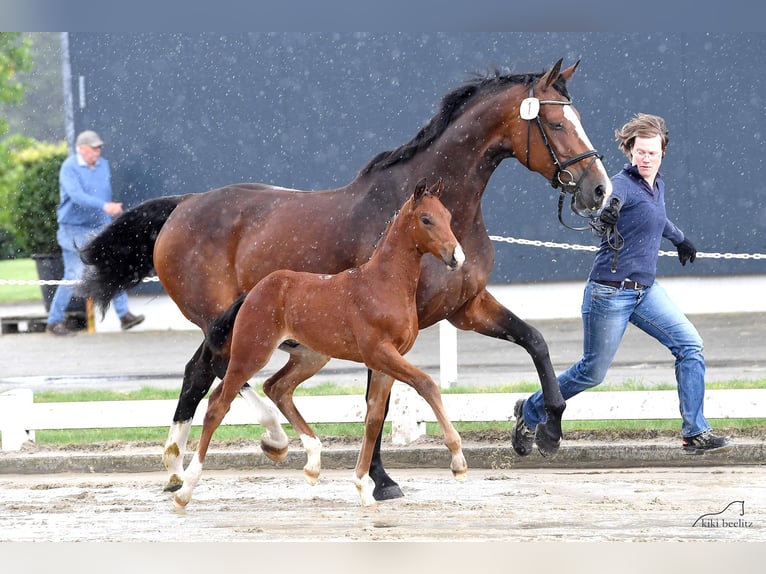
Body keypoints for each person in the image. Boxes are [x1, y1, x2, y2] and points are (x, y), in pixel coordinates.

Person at [512, 113, 732, 456]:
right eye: (640, 152)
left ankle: (695, 432)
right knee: (592, 372)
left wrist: (680, 239)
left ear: (662, 154)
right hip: (609, 293)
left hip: (646, 292)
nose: (645, 159)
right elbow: (604, 211)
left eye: (652, 153)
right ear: (630, 151)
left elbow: (657, 217)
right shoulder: (620, 185)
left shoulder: (656, 184)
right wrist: (606, 216)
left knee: (691, 346)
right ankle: (530, 411)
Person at [46, 130, 145, 336]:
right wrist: (105, 206)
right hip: (72, 228)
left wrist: (107, 222)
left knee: (111, 266)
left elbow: (103, 194)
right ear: (81, 149)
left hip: (99, 225)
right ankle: (54, 321)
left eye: (99, 147)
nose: (98, 151)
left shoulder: (103, 165)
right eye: (94, 148)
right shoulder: (69, 167)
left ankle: (124, 315)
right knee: (73, 274)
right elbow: (77, 196)